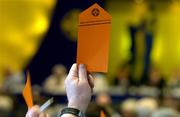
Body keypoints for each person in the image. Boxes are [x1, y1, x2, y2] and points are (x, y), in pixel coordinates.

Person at [25, 64, 94, 117]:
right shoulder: (50, 80)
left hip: (63, 104)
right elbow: (46, 92)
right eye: (56, 72)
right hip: (53, 106)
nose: (58, 74)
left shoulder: (67, 79)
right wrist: (76, 105)